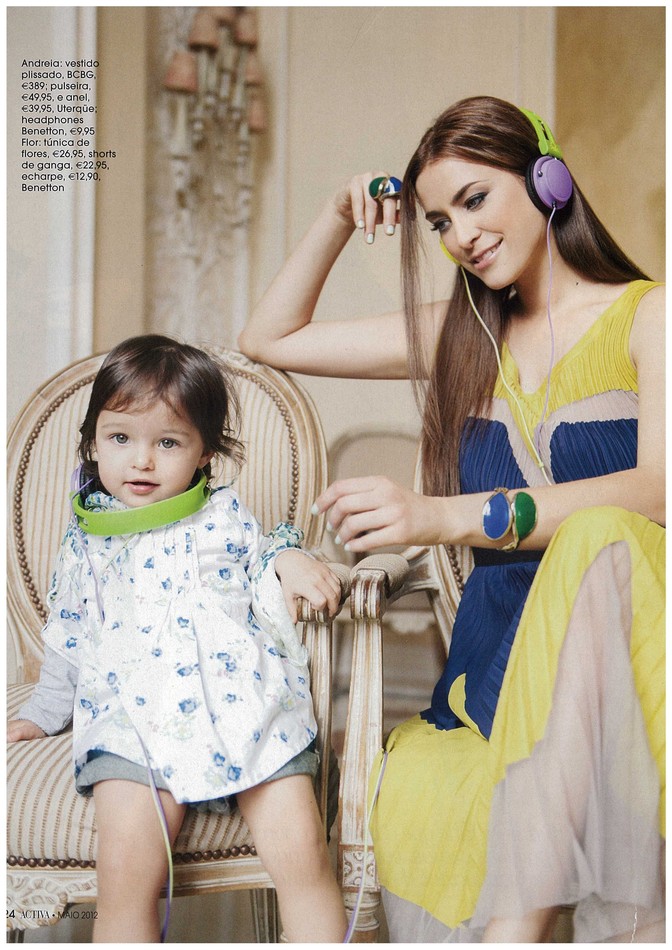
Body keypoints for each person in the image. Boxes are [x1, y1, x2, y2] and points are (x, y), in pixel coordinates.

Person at [238, 96, 665, 942]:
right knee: (441, 779)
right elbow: (269, 338)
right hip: (501, 666)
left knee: (600, 533)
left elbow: (659, 492)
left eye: (475, 199)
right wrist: (337, 213)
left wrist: (442, 515)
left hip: (638, 643)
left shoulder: (650, 316)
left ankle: (512, 933)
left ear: (547, 179)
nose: (461, 235)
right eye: (439, 221)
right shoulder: (461, 334)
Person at [7, 335, 348, 943]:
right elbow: (70, 629)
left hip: (245, 704)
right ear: (92, 443)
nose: (141, 461)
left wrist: (288, 558)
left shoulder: (223, 513)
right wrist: (45, 711)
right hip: (132, 718)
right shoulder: (88, 538)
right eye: (120, 438)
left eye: (167, 443)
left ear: (205, 451)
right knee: (125, 879)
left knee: (303, 859)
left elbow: (261, 557)